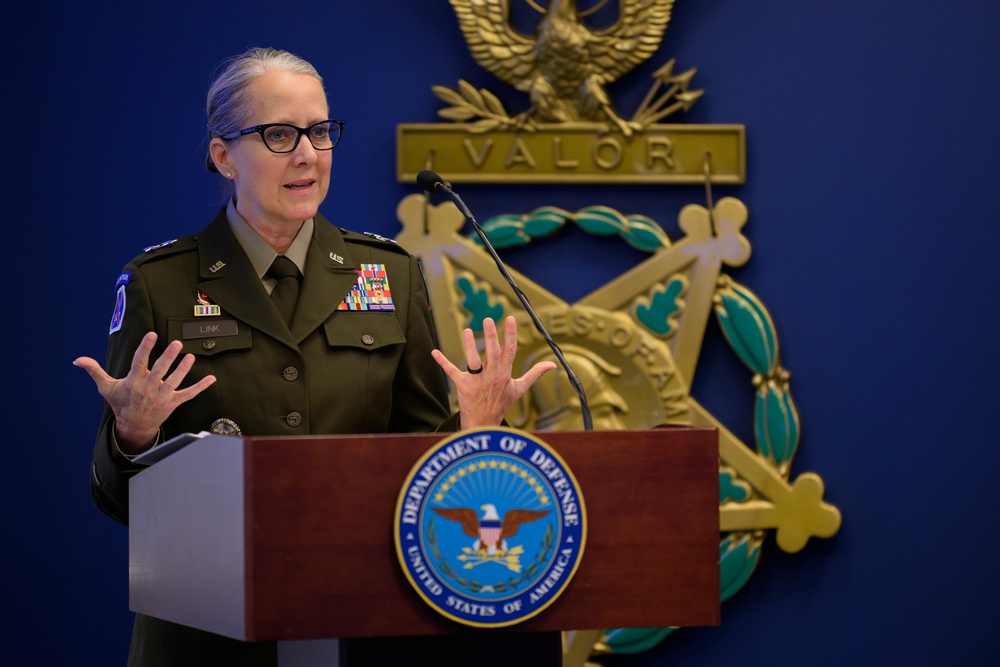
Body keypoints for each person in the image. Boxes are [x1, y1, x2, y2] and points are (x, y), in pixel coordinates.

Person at [74, 46, 555, 667]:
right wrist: (133, 436)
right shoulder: (159, 285)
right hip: (206, 633)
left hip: (360, 618)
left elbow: (420, 469)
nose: (307, 153)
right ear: (223, 156)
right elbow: (121, 504)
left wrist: (473, 432)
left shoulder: (390, 273)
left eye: (320, 131)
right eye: (279, 134)